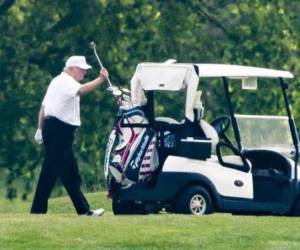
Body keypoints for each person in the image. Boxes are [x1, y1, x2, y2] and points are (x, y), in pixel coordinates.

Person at [32, 55, 109, 216]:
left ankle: (81, 210)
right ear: (73, 68)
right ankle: (41, 211)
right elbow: (82, 90)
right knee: (59, 172)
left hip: (56, 130)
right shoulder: (67, 81)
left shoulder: (57, 81)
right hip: (59, 131)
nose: (84, 73)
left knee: (63, 172)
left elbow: (44, 108)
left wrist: (40, 129)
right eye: (82, 70)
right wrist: (101, 79)